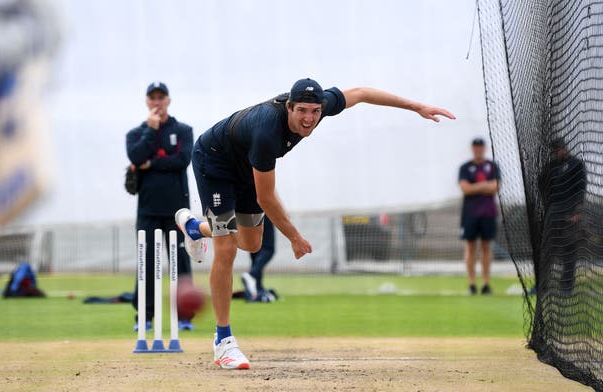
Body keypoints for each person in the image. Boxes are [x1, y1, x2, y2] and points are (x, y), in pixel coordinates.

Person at [175, 78, 455, 370]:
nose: (309, 119)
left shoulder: (321, 107)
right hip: (215, 162)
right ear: (289, 107)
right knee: (227, 247)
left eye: (314, 111)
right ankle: (224, 342)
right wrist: (295, 237)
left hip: (247, 166)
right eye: (302, 111)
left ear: (322, 108)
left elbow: (360, 93)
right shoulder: (266, 132)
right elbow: (267, 198)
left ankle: (195, 229)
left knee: (251, 243)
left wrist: (417, 106)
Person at [126, 82, 195, 331]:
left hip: (178, 212)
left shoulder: (184, 130)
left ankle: (185, 317)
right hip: (147, 211)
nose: (157, 102)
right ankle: (144, 317)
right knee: (147, 265)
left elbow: (182, 160)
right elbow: (135, 157)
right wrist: (151, 131)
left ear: (168, 100)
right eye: (152, 98)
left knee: (181, 263)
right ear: (147, 101)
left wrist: (150, 163)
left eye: (161, 97)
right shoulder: (136, 134)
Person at [536, 138, 586, 295]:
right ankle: (542, 286)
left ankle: (566, 288)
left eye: (562, 148)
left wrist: (577, 211)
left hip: (569, 214)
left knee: (569, 252)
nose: (561, 151)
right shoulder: (550, 167)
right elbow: (542, 187)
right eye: (558, 150)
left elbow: (580, 189)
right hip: (553, 214)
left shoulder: (576, 164)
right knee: (547, 252)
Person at [458, 137, 501, 295]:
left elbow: (495, 187)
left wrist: (475, 187)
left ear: (484, 148)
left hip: (488, 213)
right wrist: (484, 186)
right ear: (472, 149)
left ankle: (485, 283)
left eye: (480, 147)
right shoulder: (465, 167)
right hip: (470, 214)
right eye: (475, 147)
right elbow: (465, 189)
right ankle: (471, 284)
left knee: (486, 246)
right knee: (470, 247)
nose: (478, 150)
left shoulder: (492, 166)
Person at [242, 216, 277, 302]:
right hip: (261, 210)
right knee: (268, 249)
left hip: (245, 213)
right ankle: (251, 275)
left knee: (255, 248)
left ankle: (256, 289)